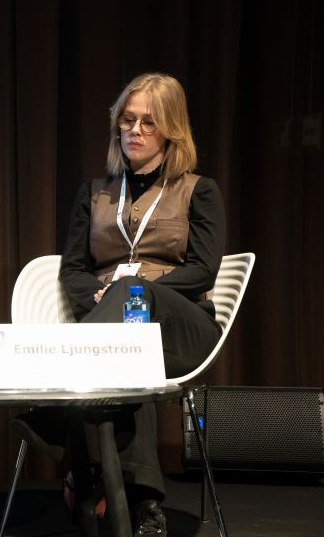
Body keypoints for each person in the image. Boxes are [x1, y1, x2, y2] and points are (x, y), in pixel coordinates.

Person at [13, 72, 225, 536]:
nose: (135, 130)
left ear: (172, 129)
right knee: (129, 353)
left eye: (149, 122)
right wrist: (99, 296)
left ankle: (56, 413)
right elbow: (71, 270)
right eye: (127, 120)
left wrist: (142, 286)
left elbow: (204, 271)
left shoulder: (198, 190)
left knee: (135, 298)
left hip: (181, 325)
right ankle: (143, 505)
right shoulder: (94, 193)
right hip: (115, 327)